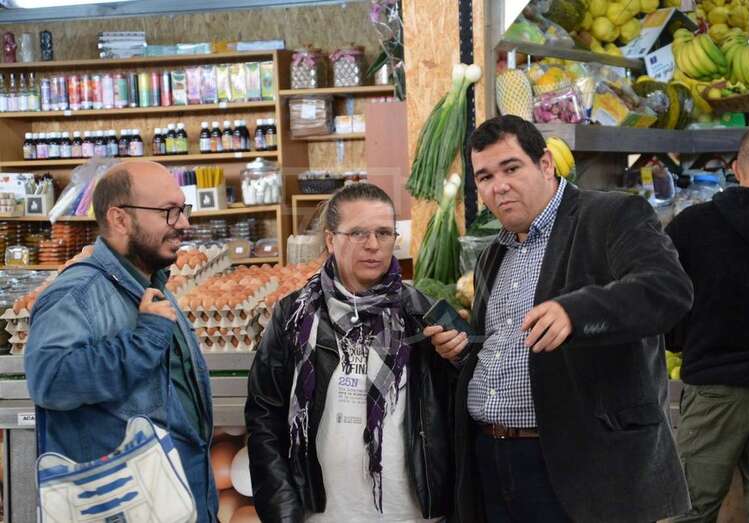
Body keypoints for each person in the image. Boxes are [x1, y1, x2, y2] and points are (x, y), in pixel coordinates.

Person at [425, 115, 694, 523]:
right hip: (493, 463)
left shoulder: (612, 215)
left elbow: (667, 289)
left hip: (584, 469)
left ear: (546, 164)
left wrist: (577, 311)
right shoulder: (493, 255)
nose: (499, 186)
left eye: (511, 168)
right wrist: (463, 351)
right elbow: (501, 347)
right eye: (485, 177)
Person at [245, 183, 454, 523]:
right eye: (358, 233)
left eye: (384, 233)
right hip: (323, 513)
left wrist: (458, 360)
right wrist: (282, 512)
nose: (373, 245)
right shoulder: (294, 316)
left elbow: (457, 413)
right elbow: (264, 418)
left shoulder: (424, 314)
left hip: (409, 513)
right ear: (331, 240)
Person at [25, 160, 218, 522]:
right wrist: (144, 341)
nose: (183, 223)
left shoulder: (149, 284)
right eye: (169, 211)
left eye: (184, 209)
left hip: (172, 502)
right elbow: (50, 380)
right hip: (124, 507)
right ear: (120, 219)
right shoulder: (77, 294)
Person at [665, 124, 749, 522]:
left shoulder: (691, 226)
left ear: (736, 169)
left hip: (714, 388)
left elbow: (667, 303)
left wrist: (681, 341)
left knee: (688, 508)